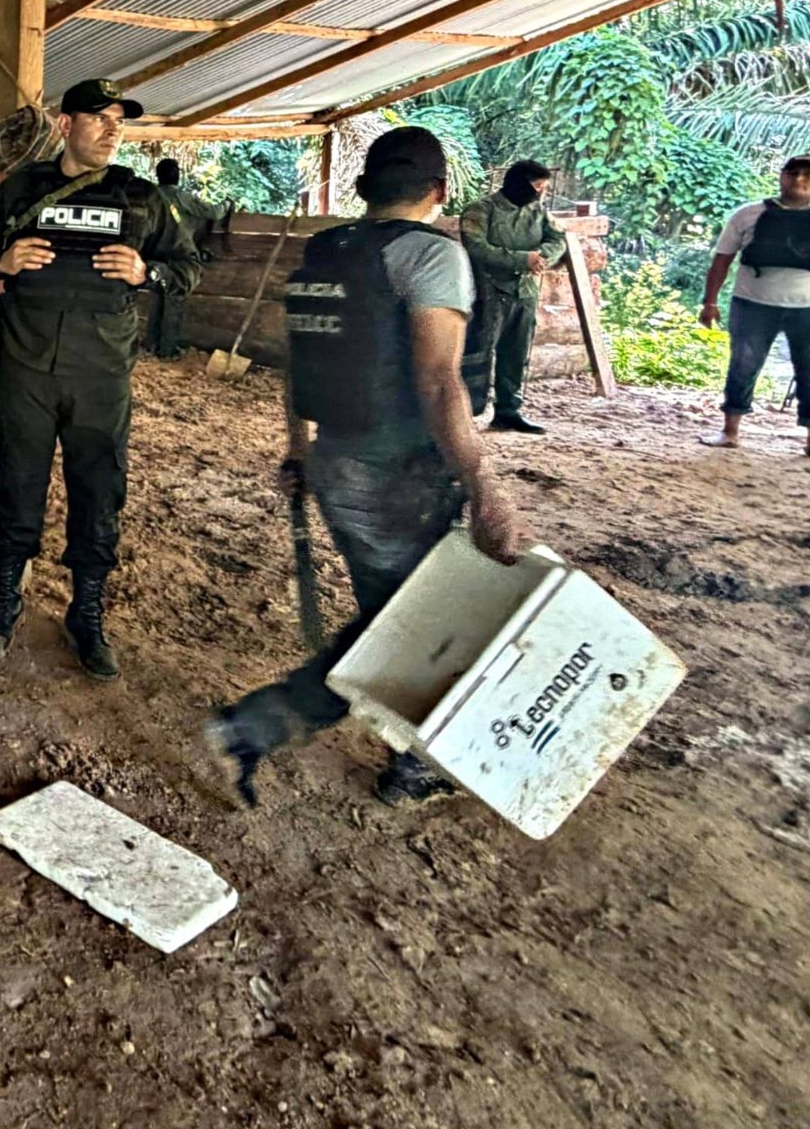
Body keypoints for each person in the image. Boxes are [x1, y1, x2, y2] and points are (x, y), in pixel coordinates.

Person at [201, 127, 525, 809]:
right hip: (397, 471)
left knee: (393, 613)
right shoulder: (431, 257)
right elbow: (440, 381)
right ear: (440, 192)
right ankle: (270, 726)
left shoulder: (325, 251)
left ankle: (404, 755)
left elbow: (299, 363)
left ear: (362, 189)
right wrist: (486, 487)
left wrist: (299, 450)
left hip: (337, 462)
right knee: (412, 625)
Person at [0, 78, 202, 680]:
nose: (114, 129)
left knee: (97, 491)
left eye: (120, 120)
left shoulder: (139, 198)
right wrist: (1, 262)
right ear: (66, 125)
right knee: (16, 481)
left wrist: (147, 273)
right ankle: (6, 602)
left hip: (101, 373)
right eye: (100, 118)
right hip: (27, 365)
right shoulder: (24, 188)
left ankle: (86, 614)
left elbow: (188, 266)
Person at [699, 155, 810, 463]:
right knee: (742, 366)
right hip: (753, 304)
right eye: (792, 173)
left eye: (809, 174)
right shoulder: (748, 214)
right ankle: (730, 432)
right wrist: (710, 302)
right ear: (781, 176)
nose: (799, 179)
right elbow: (722, 259)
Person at [458, 159, 566, 434]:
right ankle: (463, 414)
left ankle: (508, 411)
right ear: (519, 184)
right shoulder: (480, 210)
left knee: (516, 353)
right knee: (477, 353)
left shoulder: (539, 212)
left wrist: (542, 258)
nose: (540, 192)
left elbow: (558, 240)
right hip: (486, 292)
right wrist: (522, 259)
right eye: (537, 186)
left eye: (544, 187)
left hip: (525, 292)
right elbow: (477, 247)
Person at [150, 158, 228, 359]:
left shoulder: (151, 195)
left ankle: (151, 344)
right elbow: (215, 212)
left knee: (157, 298)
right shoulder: (183, 197)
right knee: (175, 298)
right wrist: (227, 204)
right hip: (179, 255)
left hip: (153, 254)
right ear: (177, 175)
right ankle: (167, 350)